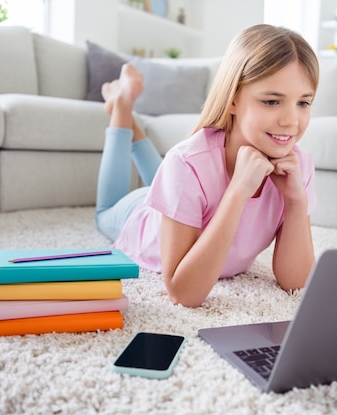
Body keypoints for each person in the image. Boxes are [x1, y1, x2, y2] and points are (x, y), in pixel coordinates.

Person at [95, 24, 320, 308]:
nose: (291, 121)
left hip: (182, 188)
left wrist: (296, 200)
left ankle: (129, 117)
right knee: (104, 212)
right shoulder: (185, 163)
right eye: (272, 101)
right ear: (233, 98)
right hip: (142, 214)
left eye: (303, 103)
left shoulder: (298, 166)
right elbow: (183, 294)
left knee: (172, 176)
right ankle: (122, 106)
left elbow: (296, 283)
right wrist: (238, 191)